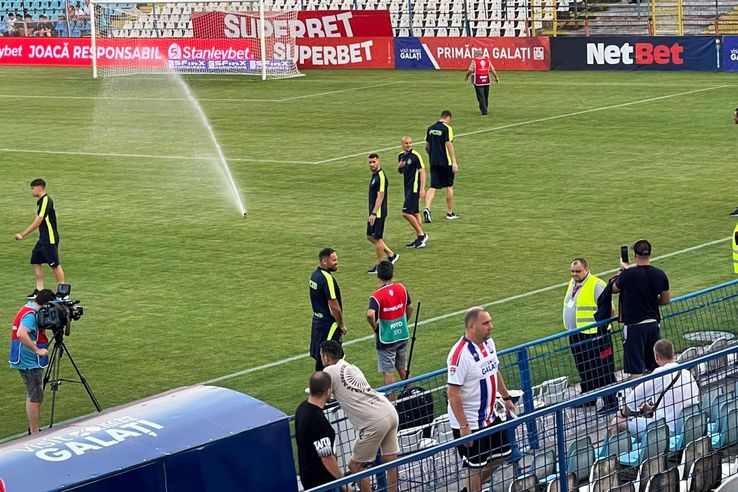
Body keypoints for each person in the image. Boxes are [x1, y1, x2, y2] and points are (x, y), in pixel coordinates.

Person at [447, 307, 516, 492]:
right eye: (485, 323)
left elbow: (494, 370)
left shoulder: (489, 343)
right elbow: (452, 393)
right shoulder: (460, 355)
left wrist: (506, 396)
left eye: (490, 322)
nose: (490, 327)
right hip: (470, 421)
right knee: (475, 467)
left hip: (490, 414)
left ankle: (469, 490)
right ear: (471, 326)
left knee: (502, 454)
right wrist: (463, 426)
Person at [320, 340, 399, 492]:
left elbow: (324, 395)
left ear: (326, 358)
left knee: (355, 466)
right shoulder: (352, 367)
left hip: (374, 422)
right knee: (390, 459)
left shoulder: (329, 372)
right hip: (388, 411)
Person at [609, 339, 699, 437]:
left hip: (666, 431)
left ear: (656, 356)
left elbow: (633, 399)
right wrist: (652, 409)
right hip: (691, 425)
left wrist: (622, 414)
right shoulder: (687, 372)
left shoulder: (659, 374)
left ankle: (621, 452)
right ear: (673, 354)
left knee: (616, 422)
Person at [563, 258, 618, 412]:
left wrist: (601, 328)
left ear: (586, 269)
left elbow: (610, 309)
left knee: (602, 368)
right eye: (572, 271)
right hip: (576, 333)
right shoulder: (572, 283)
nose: (574, 274)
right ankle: (589, 397)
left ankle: (611, 402)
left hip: (595, 335)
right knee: (584, 367)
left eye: (578, 271)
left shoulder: (596, 284)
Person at [612, 239, 671, 379]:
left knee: (636, 369)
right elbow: (665, 299)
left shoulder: (628, 274)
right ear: (649, 254)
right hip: (653, 324)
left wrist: (623, 269)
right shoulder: (660, 274)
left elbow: (614, 289)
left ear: (634, 255)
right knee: (656, 364)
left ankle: (638, 400)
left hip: (634, 326)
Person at [9, 288, 56, 434]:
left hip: (27, 358)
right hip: (28, 360)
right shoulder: (31, 314)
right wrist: (37, 350)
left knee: (34, 394)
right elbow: (21, 334)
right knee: (35, 395)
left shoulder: (29, 308)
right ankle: (35, 432)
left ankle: (33, 430)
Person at [295, 372, 346, 491]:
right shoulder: (317, 421)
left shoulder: (302, 408)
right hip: (321, 480)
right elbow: (326, 457)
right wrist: (343, 481)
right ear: (328, 391)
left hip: (308, 475)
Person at [15, 178, 65, 299]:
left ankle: (63, 292)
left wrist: (23, 234)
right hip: (43, 238)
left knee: (55, 264)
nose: (32, 191)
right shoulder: (41, 201)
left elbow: (38, 221)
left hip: (49, 238)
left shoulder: (46, 200)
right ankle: (39, 289)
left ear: (39, 187)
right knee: (35, 260)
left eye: (32, 188)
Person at [366, 260, 412, 388]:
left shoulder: (377, 295)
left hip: (386, 338)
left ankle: (391, 404)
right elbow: (410, 307)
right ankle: (413, 395)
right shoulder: (401, 288)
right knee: (402, 367)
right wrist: (403, 322)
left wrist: (375, 327)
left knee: (388, 371)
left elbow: (370, 314)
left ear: (378, 276)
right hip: (402, 333)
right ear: (392, 274)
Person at [309, 248, 346, 371]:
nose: (337, 262)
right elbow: (334, 307)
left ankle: (317, 385)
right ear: (324, 261)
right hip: (328, 325)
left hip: (317, 322)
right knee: (332, 358)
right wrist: (341, 325)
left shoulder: (314, 276)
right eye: (334, 260)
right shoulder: (327, 279)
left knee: (320, 357)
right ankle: (328, 386)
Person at [423, 110, 459, 223]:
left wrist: (432, 156)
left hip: (434, 162)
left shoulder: (430, 128)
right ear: (448, 118)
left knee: (433, 186)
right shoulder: (447, 129)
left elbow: (426, 147)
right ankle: (450, 212)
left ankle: (427, 208)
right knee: (449, 186)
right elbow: (449, 144)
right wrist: (454, 161)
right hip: (445, 162)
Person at [366, 153, 399, 274]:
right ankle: (391, 255)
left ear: (378, 161)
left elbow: (381, 196)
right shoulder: (374, 175)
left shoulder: (381, 177)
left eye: (374, 162)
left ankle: (379, 266)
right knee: (370, 236)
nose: (372, 164)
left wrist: (374, 213)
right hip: (374, 211)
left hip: (378, 213)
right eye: (370, 162)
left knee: (377, 238)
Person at [397, 136, 428, 249]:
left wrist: (422, 188)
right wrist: (399, 167)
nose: (409, 145)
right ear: (402, 144)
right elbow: (401, 171)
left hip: (414, 188)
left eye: (410, 143)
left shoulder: (415, 156)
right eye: (406, 143)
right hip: (407, 187)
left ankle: (421, 235)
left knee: (405, 213)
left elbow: (423, 172)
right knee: (415, 213)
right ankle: (419, 239)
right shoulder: (401, 156)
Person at [464, 48, 499, 116]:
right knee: (486, 96)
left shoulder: (474, 61)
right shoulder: (487, 60)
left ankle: (484, 111)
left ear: (477, 54)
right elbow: (492, 69)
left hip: (478, 80)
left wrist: (466, 76)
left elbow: (470, 70)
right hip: (486, 80)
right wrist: (496, 77)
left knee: (480, 96)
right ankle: (485, 108)